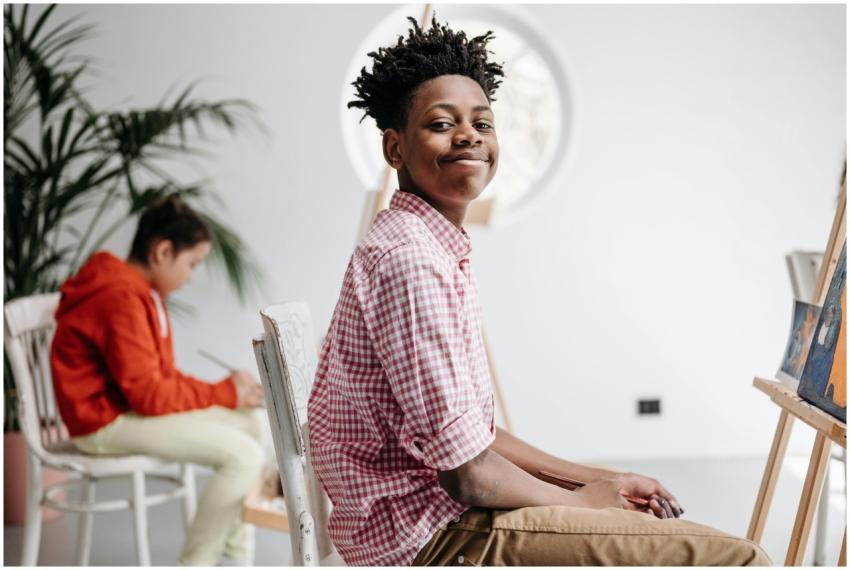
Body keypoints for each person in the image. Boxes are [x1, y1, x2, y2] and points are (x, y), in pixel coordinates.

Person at [307, 16, 772, 567]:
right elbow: (468, 475)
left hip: (433, 518)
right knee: (739, 559)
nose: (469, 136)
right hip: (429, 541)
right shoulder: (410, 261)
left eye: (483, 122)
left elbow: (472, 437)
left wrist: (602, 479)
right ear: (395, 149)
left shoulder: (426, 246)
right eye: (440, 123)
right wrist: (583, 504)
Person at [50, 195, 265, 566]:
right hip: (103, 422)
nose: (191, 276)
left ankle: (235, 552)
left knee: (252, 424)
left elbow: (160, 379)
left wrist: (227, 393)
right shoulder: (122, 298)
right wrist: (224, 392)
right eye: (192, 264)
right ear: (163, 252)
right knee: (244, 456)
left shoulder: (142, 293)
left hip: (125, 409)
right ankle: (196, 562)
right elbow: (150, 395)